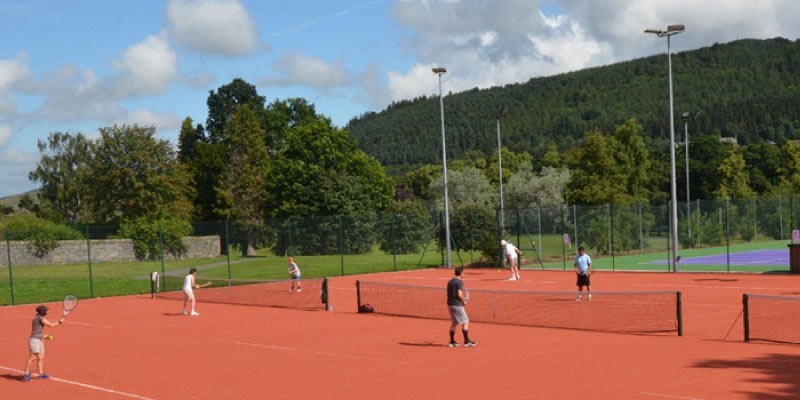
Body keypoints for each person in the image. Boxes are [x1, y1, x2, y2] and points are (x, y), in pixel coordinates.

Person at [23, 305, 63, 381]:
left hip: (39, 339)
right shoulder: (40, 318)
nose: (47, 312)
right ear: (43, 312)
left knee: (41, 357)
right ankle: (26, 374)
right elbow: (50, 325)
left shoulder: (37, 318)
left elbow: (37, 330)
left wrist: (43, 336)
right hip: (35, 340)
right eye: (46, 311)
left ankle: (41, 374)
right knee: (33, 357)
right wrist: (59, 322)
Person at [446, 266, 477, 347]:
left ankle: (452, 342)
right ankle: (467, 341)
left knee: (454, 322)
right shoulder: (459, 282)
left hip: (450, 305)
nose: (464, 274)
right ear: (461, 273)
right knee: (465, 321)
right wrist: (464, 301)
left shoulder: (450, 282)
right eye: (463, 273)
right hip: (457, 305)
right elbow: (459, 293)